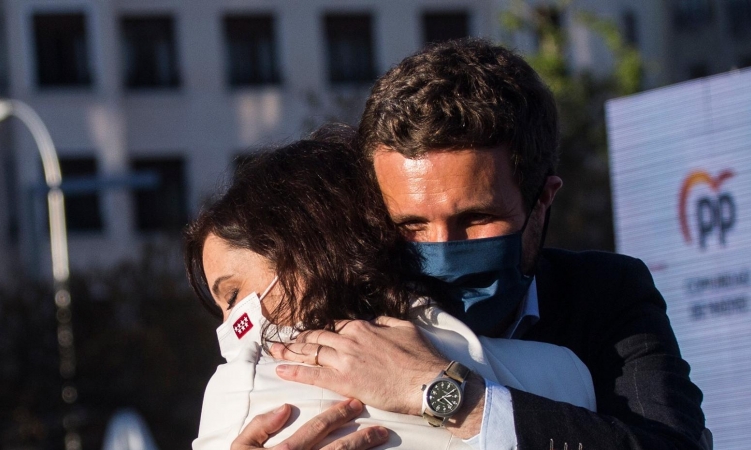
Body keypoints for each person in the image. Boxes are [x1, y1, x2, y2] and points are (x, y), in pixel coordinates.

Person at [269, 39, 709, 449]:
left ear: (543, 200)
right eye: (412, 224)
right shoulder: (340, 307)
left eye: (476, 218)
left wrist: (444, 392)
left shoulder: (606, 293)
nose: (441, 248)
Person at [185, 137, 596, 449]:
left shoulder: (243, 392)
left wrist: (440, 391)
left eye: (234, 294)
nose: (229, 326)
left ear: (300, 251)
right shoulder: (563, 371)